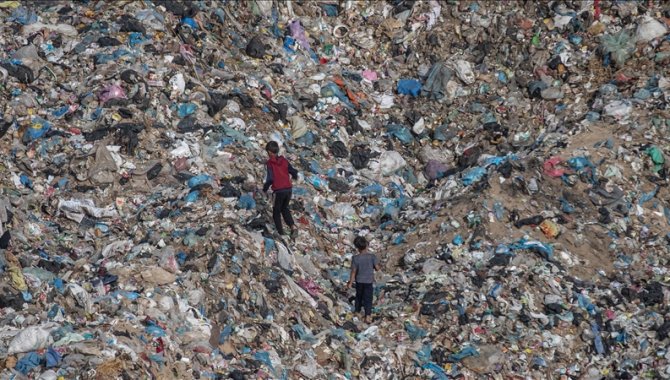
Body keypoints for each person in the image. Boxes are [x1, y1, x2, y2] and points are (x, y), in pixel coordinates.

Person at [262, 141, 298, 238]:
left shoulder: (270, 163)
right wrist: (294, 176)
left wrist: (264, 189)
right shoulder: (284, 160)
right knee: (285, 208)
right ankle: (293, 227)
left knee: (276, 212)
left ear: (269, 152)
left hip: (279, 191)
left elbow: (270, 179)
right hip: (288, 189)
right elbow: (293, 171)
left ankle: (281, 233)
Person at [346, 236, 380, 323]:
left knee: (359, 297)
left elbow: (353, 272)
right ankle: (367, 316)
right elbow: (377, 268)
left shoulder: (355, 258)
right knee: (368, 299)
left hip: (359, 281)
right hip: (369, 281)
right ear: (366, 245)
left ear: (357, 248)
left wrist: (350, 283)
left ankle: (357, 312)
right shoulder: (372, 257)